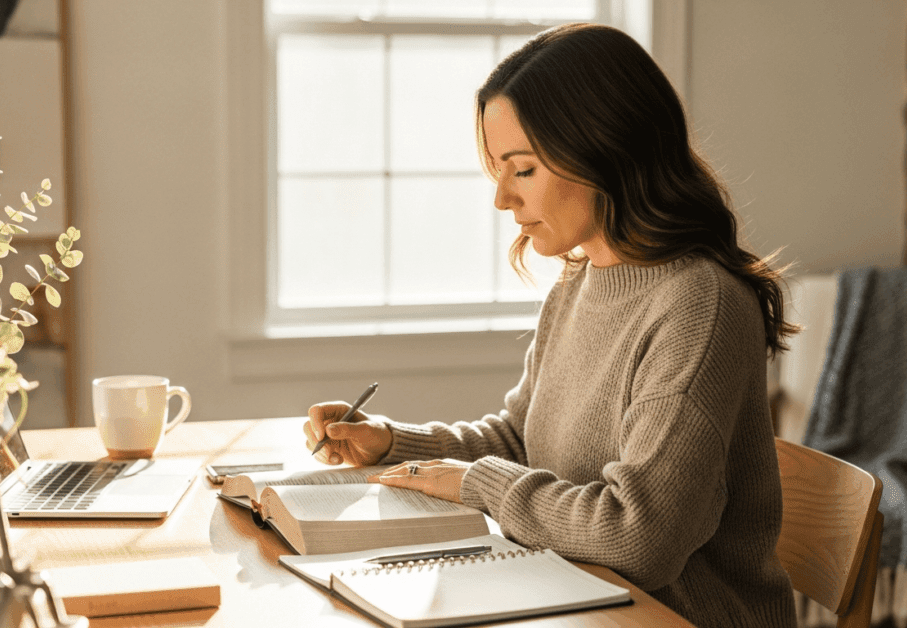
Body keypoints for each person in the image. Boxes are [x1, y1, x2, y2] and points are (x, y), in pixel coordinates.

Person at [304, 22, 799, 627]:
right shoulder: (580, 281)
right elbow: (523, 440)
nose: (502, 199)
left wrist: (476, 483)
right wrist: (393, 442)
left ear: (606, 150)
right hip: (575, 601)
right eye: (498, 170)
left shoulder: (701, 305)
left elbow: (638, 538)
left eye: (524, 169)